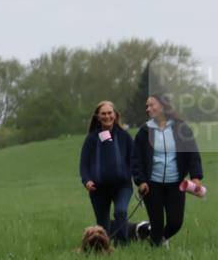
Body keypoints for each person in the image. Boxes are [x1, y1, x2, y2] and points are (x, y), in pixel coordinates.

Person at [132, 94, 205, 247]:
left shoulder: (181, 129)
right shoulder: (144, 131)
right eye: (147, 106)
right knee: (157, 224)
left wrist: (196, 177)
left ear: (163, 106)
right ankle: (154, 249)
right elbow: (136, 159)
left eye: (152, 105)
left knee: (175, 222)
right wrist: (141, 181)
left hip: (176, 184)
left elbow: (192, 153)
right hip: (152, 185)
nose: (148, 108)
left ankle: (158, 240)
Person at [79, 100, 135, 244]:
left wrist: (141, 181)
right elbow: (84, 164)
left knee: (120, 212)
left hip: (122, 186)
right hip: (98, 189)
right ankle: (105, 249)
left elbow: (135, 160)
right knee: (102, 225)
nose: (107, 116)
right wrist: (87, 181)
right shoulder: (91, 139)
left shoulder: (124, 136)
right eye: (103, 114)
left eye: (109, 113)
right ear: (98, 117)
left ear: (115, 115)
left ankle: (123, 245)